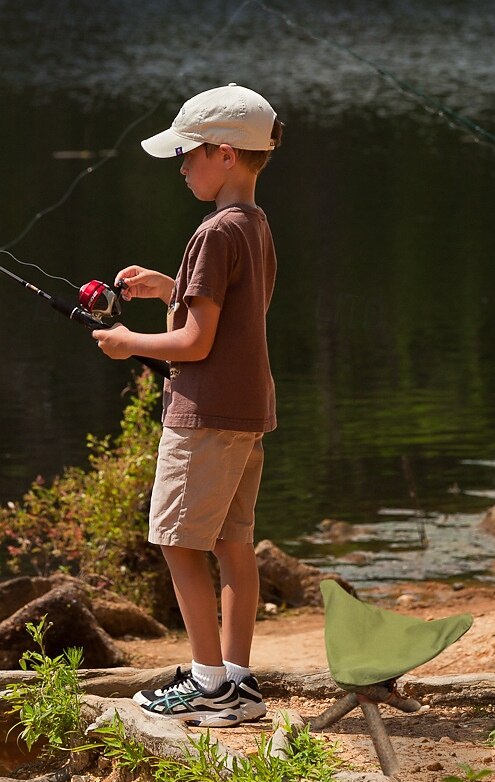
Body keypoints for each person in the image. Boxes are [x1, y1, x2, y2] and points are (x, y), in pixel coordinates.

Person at [93, 83, 283, 725]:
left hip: (203, 415)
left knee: (176, 541)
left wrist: (128, 342)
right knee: (232, 542)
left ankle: (207, 684)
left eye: (189, 154)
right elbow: (233, 316)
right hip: (246, 412)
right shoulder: (253, 228)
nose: (181, 166)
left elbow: (197, 342)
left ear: (225, 154)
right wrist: (168, 289)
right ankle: (237, 679)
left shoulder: (213, 233)